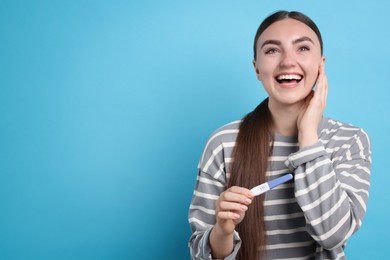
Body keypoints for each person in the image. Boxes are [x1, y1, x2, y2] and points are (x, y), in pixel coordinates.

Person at [188, 10, 372, 260]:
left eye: (303, 48)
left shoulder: (349, 141)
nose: (287, 61)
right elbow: (201, 253)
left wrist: (308, 135)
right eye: (272, 50)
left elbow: (334, 234)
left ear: (321, 64)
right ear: (256, 68)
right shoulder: (223, 143)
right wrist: (222, 231)